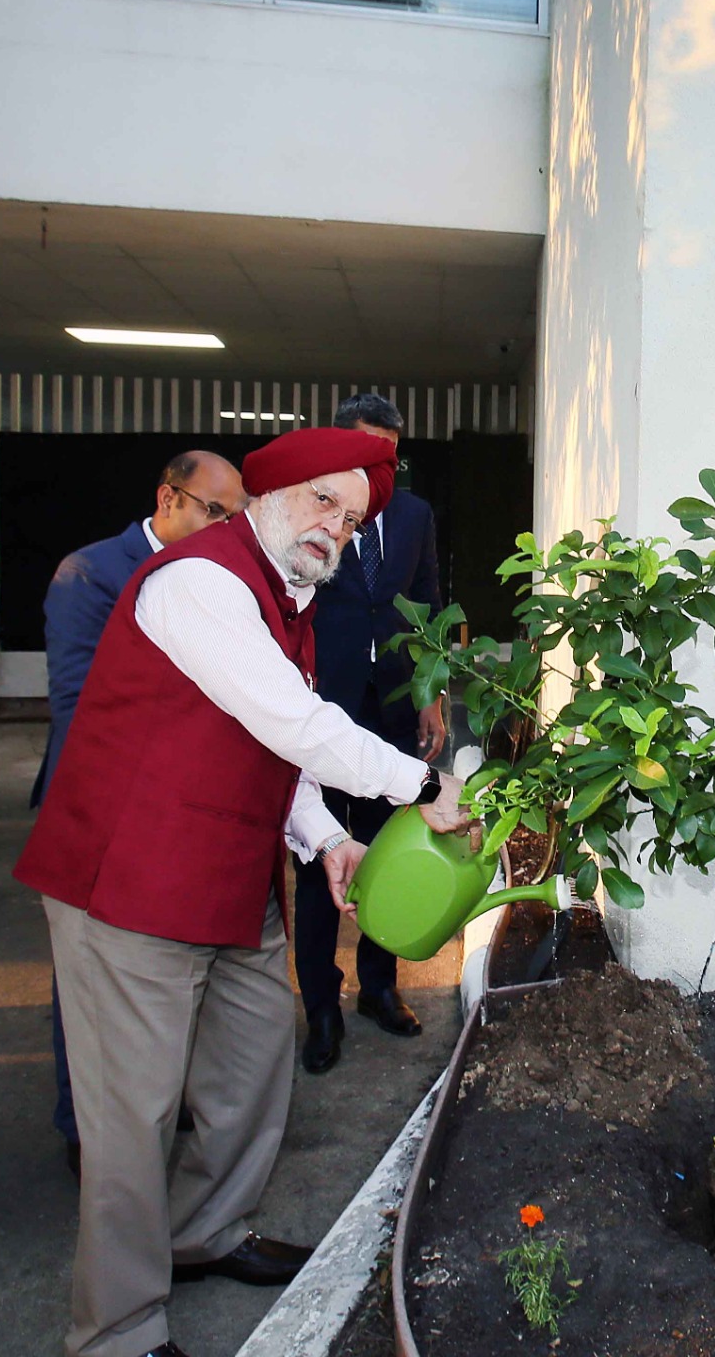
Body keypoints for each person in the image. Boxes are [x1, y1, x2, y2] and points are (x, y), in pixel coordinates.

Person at [14, 427, 471, 1357]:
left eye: (349, 519)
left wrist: (326, 836)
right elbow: (290, 717)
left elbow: (268, 746)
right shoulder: (199, 582)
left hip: (231, 878)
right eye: (320, 501)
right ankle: (119, 1331)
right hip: (129, 884)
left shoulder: (288, 597)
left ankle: (206, 1233)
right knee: (132, 1122)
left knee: (253, 1072)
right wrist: (424, 789)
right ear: (267, 493)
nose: (333, 528)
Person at [32, 450, 247, 1177]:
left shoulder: (212, 581)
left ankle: (150, 1109)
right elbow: (79, 709)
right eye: (216, 513)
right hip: (95, 815)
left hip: (166, 820)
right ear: (168, 498)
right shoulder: (90, 573)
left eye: (235, 519)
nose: (226, 530)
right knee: (88, 989)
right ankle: (81, 1129)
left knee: (157, 982)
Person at [295, 393, 445, 1073]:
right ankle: (320, 1008)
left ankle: (378, 989)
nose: (375, 466)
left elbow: (429, 607)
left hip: (391, 716)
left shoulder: (415, 515)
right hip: (319, 713)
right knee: (320, 862)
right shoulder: (308, 510)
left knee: (388, 857)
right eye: (362, 450)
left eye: (386, 453)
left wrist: (431, 697)